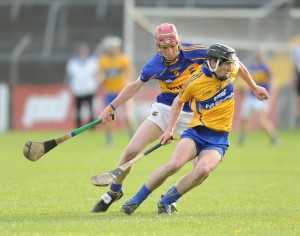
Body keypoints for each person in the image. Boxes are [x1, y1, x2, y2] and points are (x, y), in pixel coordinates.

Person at [91, 23, 257, 214]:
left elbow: (231, 61)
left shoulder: (196, 51)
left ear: (178, 41)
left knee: (201, 172)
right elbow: (135, 86)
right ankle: (114, 192)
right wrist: (110, 108)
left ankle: (171, 198)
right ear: (158, 47)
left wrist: (254, 87)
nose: (170, 51)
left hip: (194, 113)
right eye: (164, 48)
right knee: (131, 150)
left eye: (173, 46)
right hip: (166, 109)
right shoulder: (154, 65)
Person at [120, 43, 270, 215]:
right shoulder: (195, 82)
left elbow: (239, 65)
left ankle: (167, 199)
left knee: (202, 171)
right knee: (174, 165)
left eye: (231, 64)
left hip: (218, 138)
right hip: (196, 132)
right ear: (213, 63)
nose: (230, 68)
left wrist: (254, 87)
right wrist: (170, 129)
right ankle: (136, 200)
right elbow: (178, 101)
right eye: (226, 64)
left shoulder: (231, 68)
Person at [97, 36, 135, 146]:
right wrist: (101, 79)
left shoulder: (123, 59)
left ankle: (132, 135)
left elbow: (129, 74)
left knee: (127, 115)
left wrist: (128, 87)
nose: (112, 49)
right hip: (109, 92)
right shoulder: (103, 60)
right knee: (108, 117)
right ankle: (109, 139)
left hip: (122, 92)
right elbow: (99, 75)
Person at [238, 49, 279, 145]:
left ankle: (274, 138)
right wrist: (245, 92)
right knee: (244, 118)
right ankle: (242, 140)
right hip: (250, 97)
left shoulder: (265, 67)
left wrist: (271, 98)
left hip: (261, 98)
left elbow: (274, 82)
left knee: (261, 120)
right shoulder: (251, 67)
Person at [66, 42, 98, 128]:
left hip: (89, 88)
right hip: (78, 89)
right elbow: (71, 75)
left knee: (91, 109)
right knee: (78, 109)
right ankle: (78, 126)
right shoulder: (73, 63)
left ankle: (92, 126)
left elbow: (95, 74)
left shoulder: (92, 61)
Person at [292, 43, 300, 128]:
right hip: (299, 75)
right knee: (298, 101)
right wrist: (292, 78)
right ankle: (297, 123)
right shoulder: (297, 49)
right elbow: (294, 65)